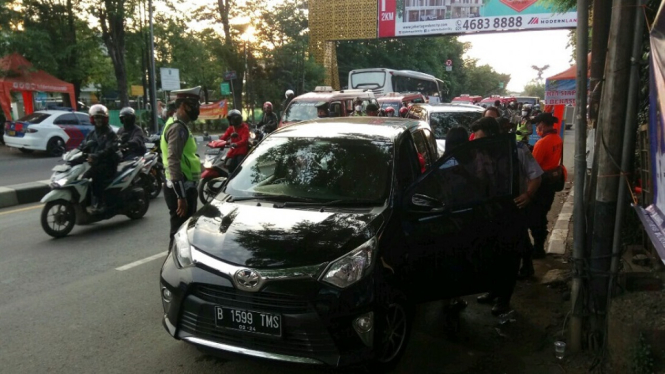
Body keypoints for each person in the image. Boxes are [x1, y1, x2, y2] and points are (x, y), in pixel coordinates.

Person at [472, 116, 543, 314]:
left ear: (493, 136)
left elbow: (536, 176)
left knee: (509, 257)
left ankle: (504, 299)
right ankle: (492, 292)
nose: (478, 143)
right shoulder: (481, 152)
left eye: (481, 138)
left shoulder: (518, 150)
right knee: (490, 255)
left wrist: (528, 195)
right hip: (490, 212)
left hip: (512, 212)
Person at [520, 112, 563, 276]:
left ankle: (537, 249)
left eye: (537, 126)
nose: (536, 129)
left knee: (534, 218)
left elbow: (532, 168)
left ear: (542, 126)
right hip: (550, 184)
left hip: (539, 186)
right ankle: (539, 248)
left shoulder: (543, 142)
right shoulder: (557, 139)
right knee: (541, 216)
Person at [161, 86, 202, 249]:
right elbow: (173, 160)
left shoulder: (176, 124)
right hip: (181, 188)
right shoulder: (178, 128)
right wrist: (181, 196)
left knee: (184, 232)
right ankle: (172, 270)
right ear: (184, 105)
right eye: (194, 105)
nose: (197, 109)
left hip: (182, 186)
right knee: (180, 234)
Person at [80, 104, 120, 213]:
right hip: (95, 163)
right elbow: (83, 145)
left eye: (100, 117)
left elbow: (109, 149)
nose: (98, 120)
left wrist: (96, 155)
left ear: (105, 119)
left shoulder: (110, 133)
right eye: (96, 117)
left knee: (95, 177)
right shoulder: (92, 134)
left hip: (108, 163)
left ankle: (102, 202)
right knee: (81, 177)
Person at [221, 109, 250, 173]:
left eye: (232, 119)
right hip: (233, 151)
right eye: (230, 119)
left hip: (241, 151)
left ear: (236, 120)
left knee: (239, 166)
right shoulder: (231, 128)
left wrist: (236, 144)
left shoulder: (244, 127)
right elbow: (224, 137)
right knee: (225, 162)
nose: (231, 121)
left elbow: (244, 140)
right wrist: (217, 142)